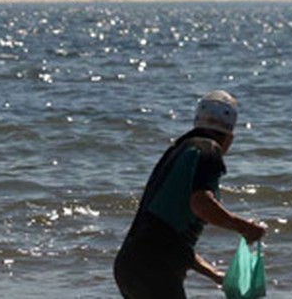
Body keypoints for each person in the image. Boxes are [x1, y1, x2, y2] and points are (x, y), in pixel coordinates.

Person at [114, 90, 266, 298]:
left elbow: (170, 238)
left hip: (130, 267)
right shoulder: (209, 151)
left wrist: (216, 276)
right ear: (229, 137)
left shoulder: (180, 150)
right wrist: (244, 228)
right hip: (154, 269)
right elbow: (201, 204)